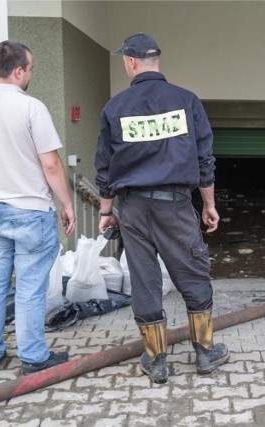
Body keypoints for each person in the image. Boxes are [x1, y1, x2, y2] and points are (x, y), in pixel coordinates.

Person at [94, 32, 228, 384]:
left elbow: (105, 168)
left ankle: (156, 360)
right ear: (156, 60)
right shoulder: (187, 101)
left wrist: (106, 212)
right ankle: (205, 352)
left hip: (134, 210)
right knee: (193, 274)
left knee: (145, 281)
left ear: (131, 62)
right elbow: (204, 159)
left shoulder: (115, 107)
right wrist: (209, 205)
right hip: (176, 207)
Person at [0, 40, 76, 375]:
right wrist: (66, 204)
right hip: (29, 209)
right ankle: (33, 357)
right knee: (29, 286)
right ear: (18, 71)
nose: (30, 74)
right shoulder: (31, 108)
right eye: (31, 68)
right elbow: (51, 165)